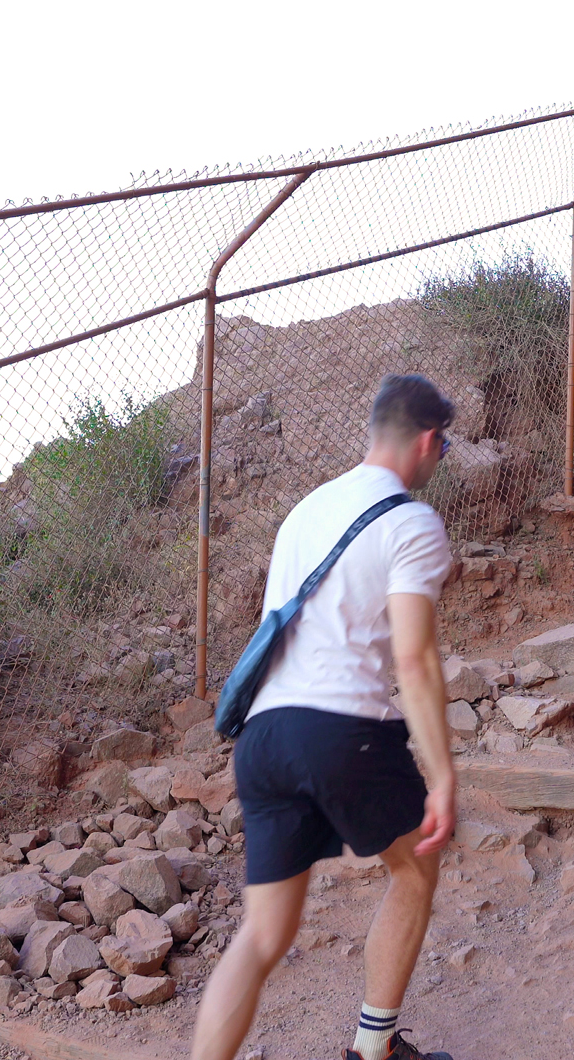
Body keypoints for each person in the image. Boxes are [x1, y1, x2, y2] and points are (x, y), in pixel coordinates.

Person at [189, 375, 460, 1060]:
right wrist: (444, 772)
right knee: (416, 867)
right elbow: (415, 658)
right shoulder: (411, 522)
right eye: (444, 448)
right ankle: (374, 1050)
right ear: (428, 442)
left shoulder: (307, 509)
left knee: (262, 936)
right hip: (342, 732)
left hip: (263, 737)